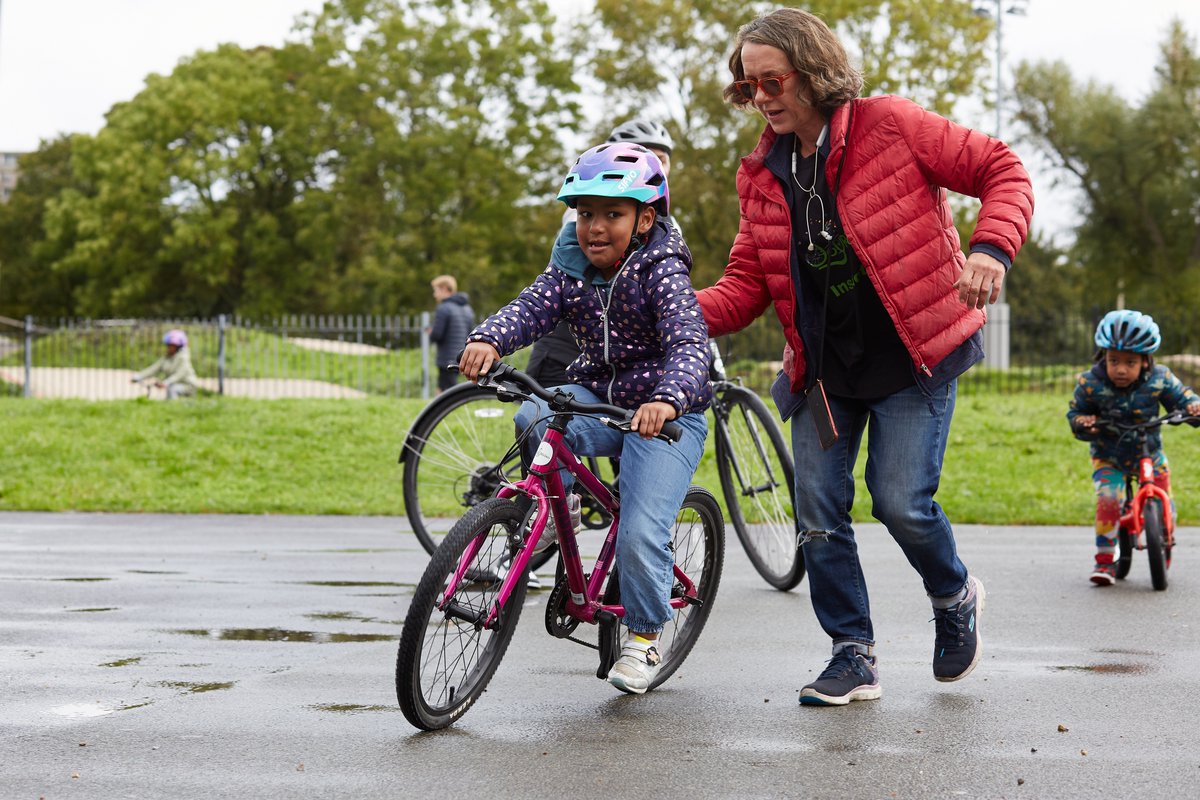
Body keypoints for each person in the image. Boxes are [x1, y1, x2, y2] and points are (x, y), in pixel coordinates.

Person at [695, 8, 1034, 706]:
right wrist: (664, 311)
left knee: (901, 502)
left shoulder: (892, 126)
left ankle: (954, 594)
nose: (761, 97)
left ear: (813, 73)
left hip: (914, 356)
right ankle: (852, 654)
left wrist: (990, 249)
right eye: (748, 85)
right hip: (824, 371)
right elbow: (746, 285)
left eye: (772, 80)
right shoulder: (763, 172)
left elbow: (1003, 168)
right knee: (817, 509)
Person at [459, 142, 710, 695]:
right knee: (532, 413)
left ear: (646, 219)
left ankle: (644, 638)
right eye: (585, 213)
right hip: (594, 396)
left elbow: (690, 345)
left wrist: (667, 399)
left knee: (642, 531)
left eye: (612, 215)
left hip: (667, 415)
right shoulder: (569, 270)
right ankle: (556, 505)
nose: (595, 227)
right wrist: (488, 339)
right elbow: (529, 308)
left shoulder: (662, 274)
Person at [527, 118, 679, 389]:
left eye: (661, 159)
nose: (596, 227)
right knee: (540, 420)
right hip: (567, 346)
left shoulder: (666, 228)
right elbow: (546, 294)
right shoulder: (580, 222)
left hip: (616, 361)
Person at [1067, 310, 1200, 585]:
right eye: (1114, 360)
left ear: (1146, 361)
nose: (1121, 369)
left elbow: (1182, 396)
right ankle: (1105, 562)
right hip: (1108, 455)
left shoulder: (1159, 379)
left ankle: (1164, 537)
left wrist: (1191, 407)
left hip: (1149, 452)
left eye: (1130, 362)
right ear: (1102, 356)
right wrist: (1083, 422)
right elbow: (1076, 411)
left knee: (1165, 494)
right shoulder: (1090, 383)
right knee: (1109, 498)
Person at [428, 275, 475, 394]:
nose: (435, 295)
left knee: (448, 393)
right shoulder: (467, 309)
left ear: (444, 288)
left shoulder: (443, 308)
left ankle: (442, 411)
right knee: (445, 388)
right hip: (461, 356)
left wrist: (431, 333)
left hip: (446, 358)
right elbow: (471, 332)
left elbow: (437, 335)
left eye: (436, 290)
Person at [131, 329, 198, 400]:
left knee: (172, 389)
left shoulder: (183, 358)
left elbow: (179, 375)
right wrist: (138, 376)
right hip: (172, 384)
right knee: (171, 388)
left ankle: (173, 407)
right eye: (168, 345)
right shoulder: (166, 358)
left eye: (172, 346)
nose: (169, 348)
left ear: (178, 347)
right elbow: (153, 369)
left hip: (188, 386)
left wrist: (166, 382)